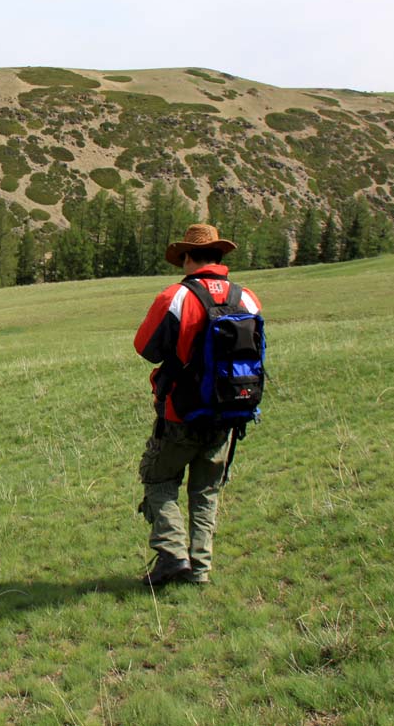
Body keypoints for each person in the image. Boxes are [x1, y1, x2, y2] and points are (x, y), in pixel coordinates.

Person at [133, 224, 262, 587]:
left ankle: (173, 556)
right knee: (206, 491)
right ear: (219, 257)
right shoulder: (247, 297)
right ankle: (200, 569)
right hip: (230, 412)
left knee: (159, 480)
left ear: (188, 257)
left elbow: (146, 348)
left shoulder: (176, 296)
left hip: (181, 411)